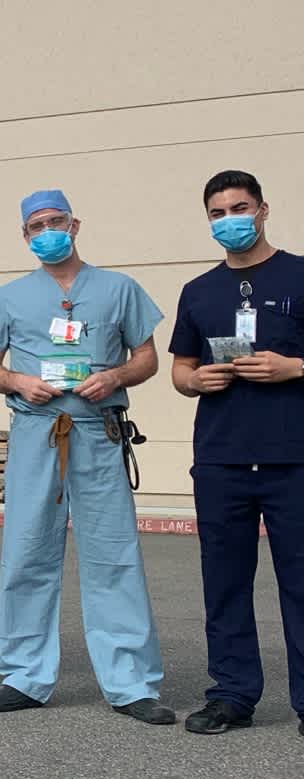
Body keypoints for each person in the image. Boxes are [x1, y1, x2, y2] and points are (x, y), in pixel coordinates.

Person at [0, 189, 174, 725]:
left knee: (113, 555)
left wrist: (116, 375)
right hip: (37, 431)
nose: (47, 231)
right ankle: (23, 675)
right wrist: (16, 380)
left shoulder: (118, 288)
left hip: (98, 431)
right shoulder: (11, 297)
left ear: (76, 224)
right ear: (25, 236)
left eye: (55, 221)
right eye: (36, 225)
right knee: (26, 551)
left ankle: (131, 682)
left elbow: (147, 357)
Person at [169, 170, 304, 738]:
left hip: (292, 458)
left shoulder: (300, 274)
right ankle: (231, 694)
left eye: (239, 208)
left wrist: (292, 367)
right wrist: (195, 381)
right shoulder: (199, 292)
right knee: (223, 582)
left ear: (264, 209)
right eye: (219, 213)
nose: (230, 221)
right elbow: (179, 368)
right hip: (222, 461)